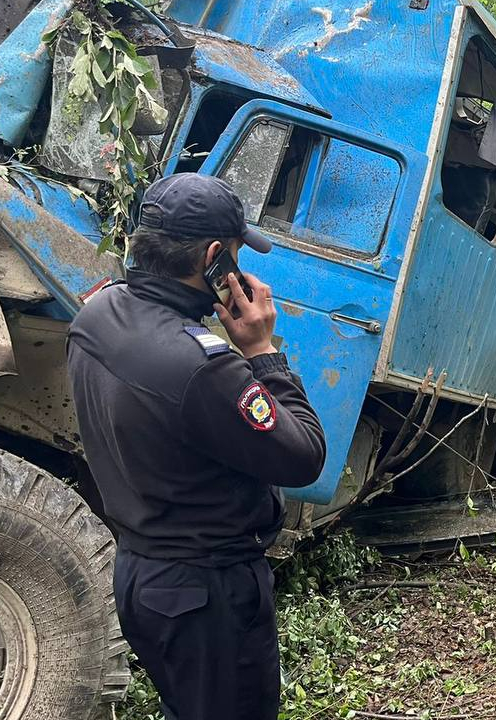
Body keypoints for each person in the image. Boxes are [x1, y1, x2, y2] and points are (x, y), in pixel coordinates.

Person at [67, 173, 327, 720]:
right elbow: (304, 455)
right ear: (213, 258)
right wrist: (261, 349)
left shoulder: (98, 313)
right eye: (233, 255)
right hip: (208, 595)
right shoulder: (205, 368)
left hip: (141, 574)